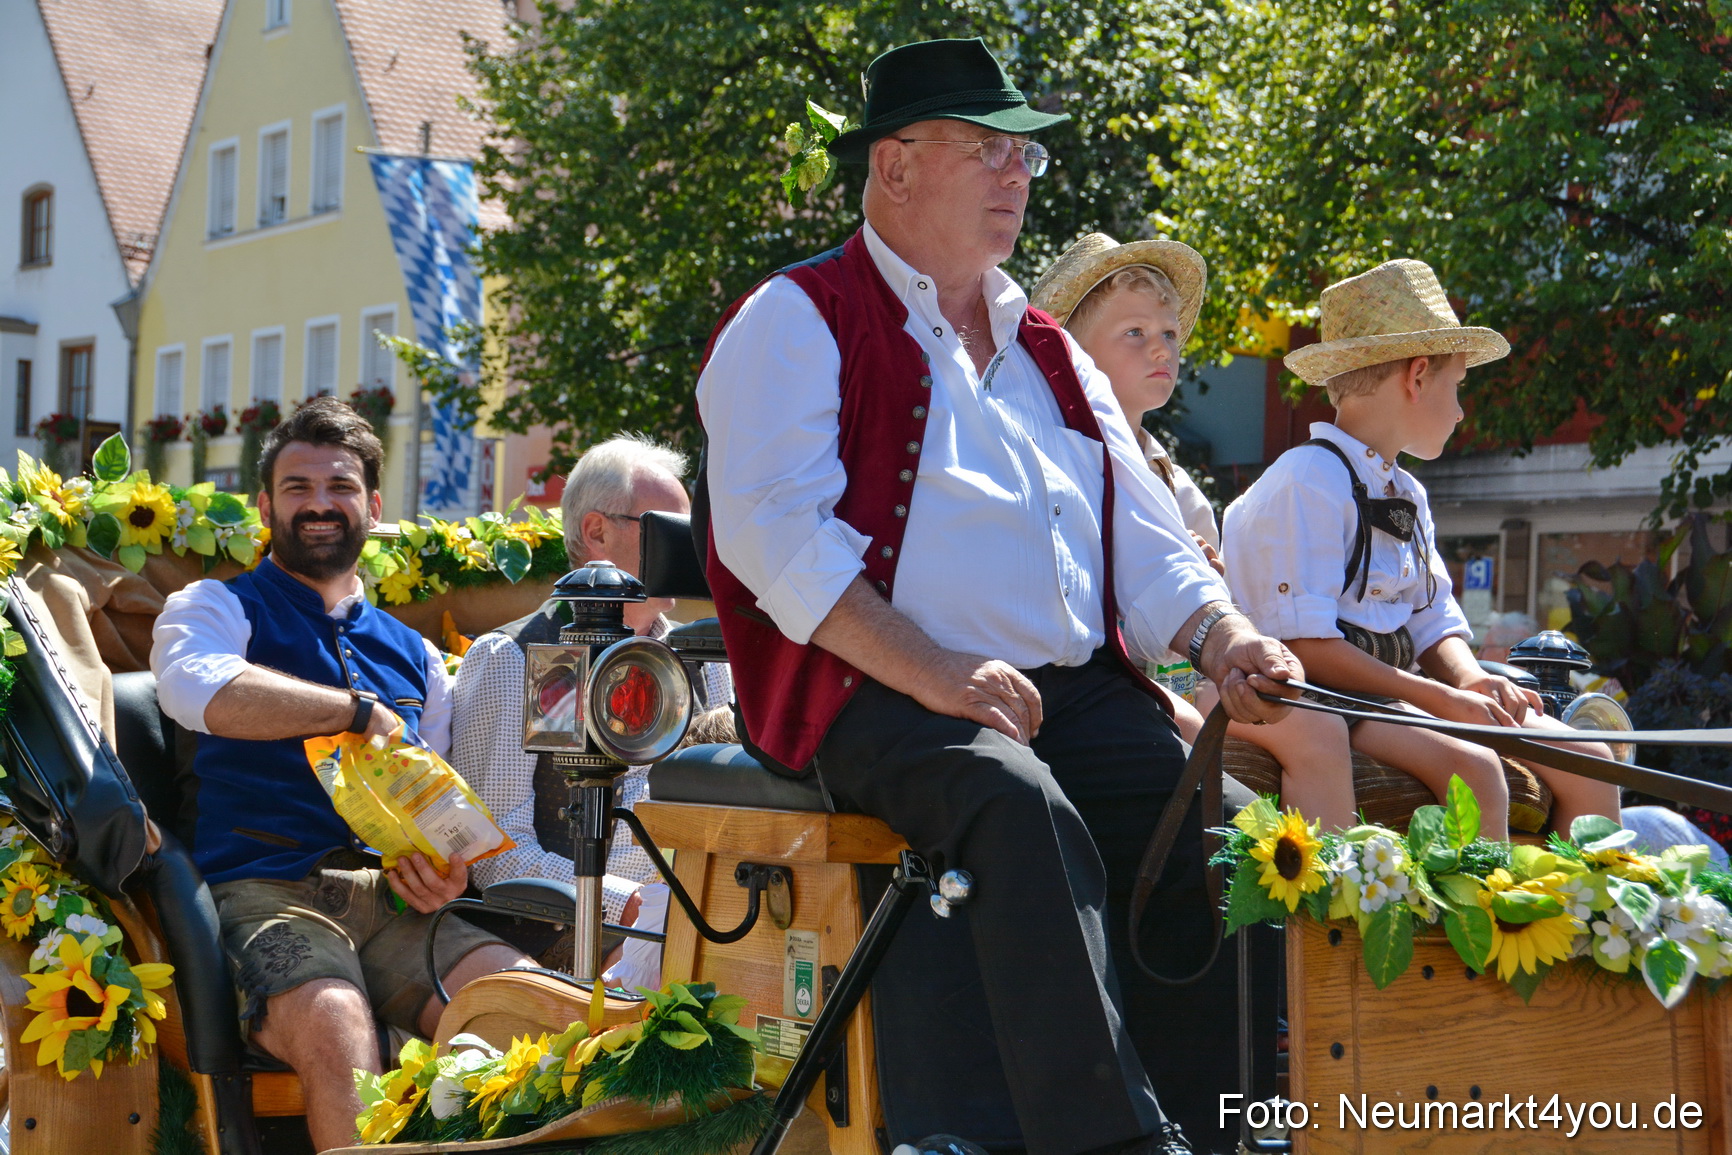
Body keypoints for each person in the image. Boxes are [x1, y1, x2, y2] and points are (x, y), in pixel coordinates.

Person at [697, 38, 1301, 1155]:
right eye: (985, 149)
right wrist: (937, 671)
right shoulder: (795, 316)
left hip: (1061, 691)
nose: (1016, 175)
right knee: (1013, 803)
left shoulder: (1050, 352)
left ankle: (1226, 1130)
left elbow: (1148, 538)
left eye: (1022, 154)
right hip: (876, 688)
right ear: (893, 169)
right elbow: (776, 539)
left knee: (1208, 826)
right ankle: (1115, 1144)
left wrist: (1223, 638)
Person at [151, 398, 531, 1152]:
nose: (319, 503)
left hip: (395, 905)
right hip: (261, 891)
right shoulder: (217, 606)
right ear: (265, 504)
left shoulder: (418, 655)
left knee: (523, 1006)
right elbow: (205, 692)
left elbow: (436, 804)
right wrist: (355, 713)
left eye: (340, 486)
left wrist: (443, 871)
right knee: (334, 1020)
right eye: (297, 487)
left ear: (373, 505)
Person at [1221, 259, 1621, 840]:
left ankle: (1589, 921)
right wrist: (1437, 696)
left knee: (1588, 759)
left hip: (1393, 695)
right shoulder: (1306, 480)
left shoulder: (1405, 490)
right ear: (1416, 376)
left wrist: (1469, 680)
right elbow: (1302, 645)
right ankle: (1488, 924)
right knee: (1477, 770)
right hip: (1325, 700)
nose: (1461, 411)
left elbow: (1432, 617)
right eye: (1457, 388)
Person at [1032, 234, 1358, 829]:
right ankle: (1310, 896)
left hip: (1187, 673)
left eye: (1170, 334)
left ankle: (1321, 901)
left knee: (1310, 718)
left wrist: (1212, 579)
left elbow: (1216, 606)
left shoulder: (1173, 480)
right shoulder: (1060, 463)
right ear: (1074, 351)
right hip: (1108, 684)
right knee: (1310, 730)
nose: (1161, 348)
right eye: (1135, 333)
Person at [452, 433, 729, 989]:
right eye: (666, 528)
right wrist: (638, 907)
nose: (687, 546)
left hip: (701, 914)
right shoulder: (534, 660)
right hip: (570, 932)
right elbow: (497, 855)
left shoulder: (702, 655)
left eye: (690, 530)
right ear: (597, 531)